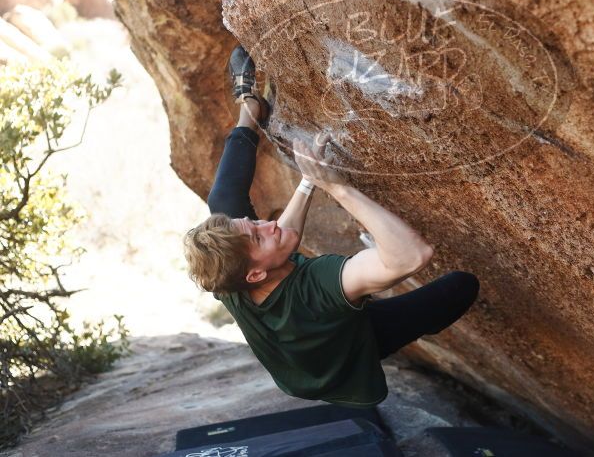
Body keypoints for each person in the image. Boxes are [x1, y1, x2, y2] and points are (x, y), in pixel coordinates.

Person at [183, 45, 479, 408]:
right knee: (460, 287)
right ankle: (387, 330)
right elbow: (411, 257)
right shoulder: (318, 288)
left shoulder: (229, 276)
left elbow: (279, 236)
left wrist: (309, 182)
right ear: (256, 275)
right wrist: (336, 185)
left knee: (223, 205)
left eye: (255, 223)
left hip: (291, 364)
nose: (266, 224)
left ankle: (250, 108)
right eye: (258, 235)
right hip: (344, 361)